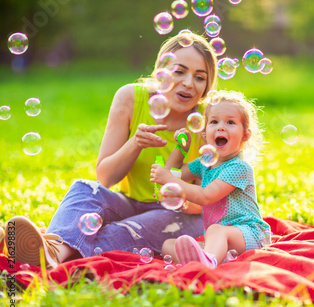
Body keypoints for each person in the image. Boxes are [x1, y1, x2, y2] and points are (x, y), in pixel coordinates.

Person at [0, 32, 219, 268]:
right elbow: (105, 178)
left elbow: (210, 200)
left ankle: (51, 251)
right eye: (179, 71)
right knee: (85, 189)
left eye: (199, 77)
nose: (188, 83)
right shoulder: (131, 98)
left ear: (208, 84)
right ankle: (51, 251)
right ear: (161, 72)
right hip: (129, 203)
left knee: (126, 230)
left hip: (182, 216)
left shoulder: (210, 119)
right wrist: (135, 142)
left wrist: (181, 198)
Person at [150, 90, 270, 268]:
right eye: (214, 122)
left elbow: (205, 196)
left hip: (250, 234)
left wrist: (169, 178)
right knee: (168, 245)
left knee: (215, 230)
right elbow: (175, 173)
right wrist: (181, 149)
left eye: (230, 122)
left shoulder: (239, 167)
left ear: (245, 135)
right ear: (205, 133)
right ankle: (215, 256)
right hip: (219, 239)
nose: (221, 127)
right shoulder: (206, 162)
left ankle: (208, 262)